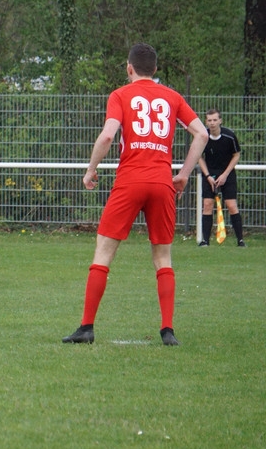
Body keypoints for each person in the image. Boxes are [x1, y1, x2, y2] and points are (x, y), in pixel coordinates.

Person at [62, 43, 207, 347]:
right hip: (161, 182)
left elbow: (108, 135)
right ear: (155, 70)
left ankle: (86, 327)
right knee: (163, 256)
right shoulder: (172, 97)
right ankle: (167, 330)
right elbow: (202, 134)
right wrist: (182, 174)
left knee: (103, 252)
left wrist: (90, 170)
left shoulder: (120, 95)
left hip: (130, 181)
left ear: (129, 68)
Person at [197, 109, 245, 247]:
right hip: (210, 174)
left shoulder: (229, 136)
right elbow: (199, 156)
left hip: (227, 174)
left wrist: (225, 174)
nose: (212, 123)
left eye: (215, 120)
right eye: (209, 120)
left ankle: (240, 240)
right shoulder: (203, 137)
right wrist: (207, 176)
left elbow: (236, 155)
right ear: (206, 122)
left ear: (220, 121)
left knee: (231, 205)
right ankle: (205, 241)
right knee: (207, 205)